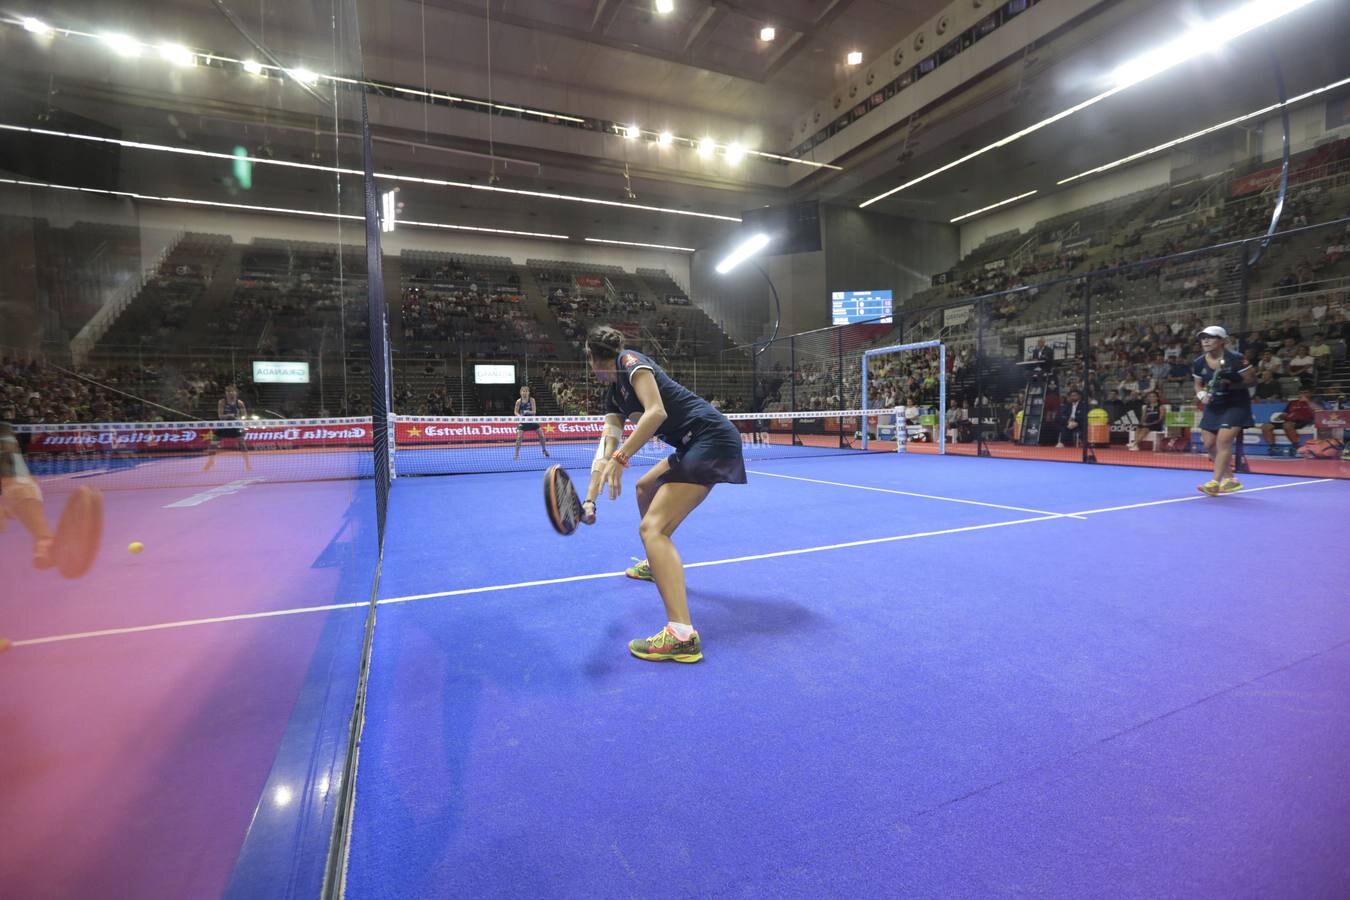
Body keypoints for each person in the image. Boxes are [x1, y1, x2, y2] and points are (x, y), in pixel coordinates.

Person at [580, 325, 746, 663]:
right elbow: (606, 447)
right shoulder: (613, 396)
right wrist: (589, 499)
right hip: (691, 445)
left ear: (594, 360)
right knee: (644, 487)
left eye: (589, 362)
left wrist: (621, 457)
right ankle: (656, 562)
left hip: (711, 438)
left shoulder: (630, 362)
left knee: (651, 529)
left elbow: (656, 412)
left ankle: (681, 635)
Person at [1192, 325, 1256, 495]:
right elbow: (1198, 384)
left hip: (1236, 404)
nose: (1205, 340)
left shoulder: (1236, 358)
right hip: (1214, 405)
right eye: (1203, 337)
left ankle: (1214, 482)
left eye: (1211, 337)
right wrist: (1202, 395)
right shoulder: (1198, 362)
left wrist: (1231, 384)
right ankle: (1231, 480)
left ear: (1222, 341)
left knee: (1223, 441)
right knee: (1209, 444)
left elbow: (1252, 381)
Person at [204, 384, 250, 472]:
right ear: (226, 393)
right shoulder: (222, 402)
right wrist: (229, 415)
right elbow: (220, 416)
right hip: (223, 426)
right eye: (228, 391)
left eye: (232, 391)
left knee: (242, 445)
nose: (230, 393)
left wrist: (238, 418)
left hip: (236, 426)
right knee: (213, 444)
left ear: (236, 393)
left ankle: (247, 463)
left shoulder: (240, 403)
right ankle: (210, 461)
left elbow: (245, 416)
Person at [1260, 388, 1320, 454]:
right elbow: (1286, 412)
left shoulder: (1315, 401)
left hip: (1302, 421)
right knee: (1266, 426)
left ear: (1310, 394)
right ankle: (1273, 448)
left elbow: (1320, 411)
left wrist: (1308, 401)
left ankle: (1296, 447)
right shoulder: (1292, 402)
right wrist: (1281, 416)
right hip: (1287, 420)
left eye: (1305, 392)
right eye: (1301, 393)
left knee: (1287, 425)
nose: (1302, 394)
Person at [511, 385, 549, 460]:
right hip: (523, 422)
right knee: (519, 437)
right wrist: (519, 416)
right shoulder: (518, 401)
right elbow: (515, 412)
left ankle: (544, 450)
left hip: (532, 421)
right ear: (520, 393)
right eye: (523, 391)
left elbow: (534, 412)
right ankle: (516, 453)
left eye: (526, 391)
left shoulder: (532, 400)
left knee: (541, 435)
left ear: (528, 393)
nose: (524, 393)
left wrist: (527, 412)